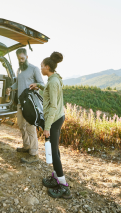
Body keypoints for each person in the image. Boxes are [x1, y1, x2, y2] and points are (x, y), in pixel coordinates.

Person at [30, 52, 71, 199]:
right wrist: (38, 86)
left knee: (54, 152)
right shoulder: (53, 79)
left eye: (42, 66)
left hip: (54, 119)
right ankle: (55, 177)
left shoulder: (53, 82)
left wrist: (47, 127)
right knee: (55, 150)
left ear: (47, 67)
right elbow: (48, 91)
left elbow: (53, 106)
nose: (40, 69)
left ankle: (64, 186)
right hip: (58, 118)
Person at [6, 48, 45, 164]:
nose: (21, 61)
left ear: (27, 57)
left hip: (30, 104)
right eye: (19, 59)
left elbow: (42, 84)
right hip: (20, 103)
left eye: (22, 58)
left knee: (30, 126)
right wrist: (11, 88)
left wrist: (36, 85)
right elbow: (18, 83)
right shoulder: (19, 70)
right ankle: (26, 146)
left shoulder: (34, 69)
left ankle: (34, 153)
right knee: (21, 125)